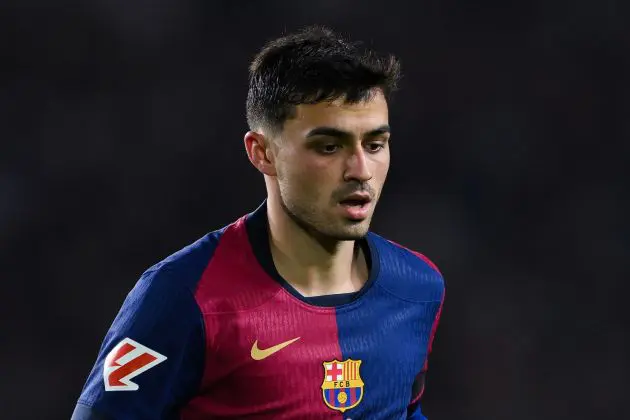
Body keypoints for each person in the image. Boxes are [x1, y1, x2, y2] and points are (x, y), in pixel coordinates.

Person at [72, 25, 445, 420]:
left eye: (374, 145)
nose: (360, 170)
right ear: (262, 152)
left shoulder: (418, 287)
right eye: (329, 147)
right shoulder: (183, 297)